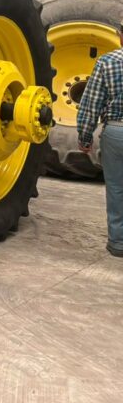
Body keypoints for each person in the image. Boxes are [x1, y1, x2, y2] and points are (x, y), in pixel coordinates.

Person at [76, 20, 123, 257]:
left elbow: (90, 104)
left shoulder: (108, 62)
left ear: (119, 35)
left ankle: (118, 243)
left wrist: (85, 137)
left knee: (116, 189)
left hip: (116, 132)